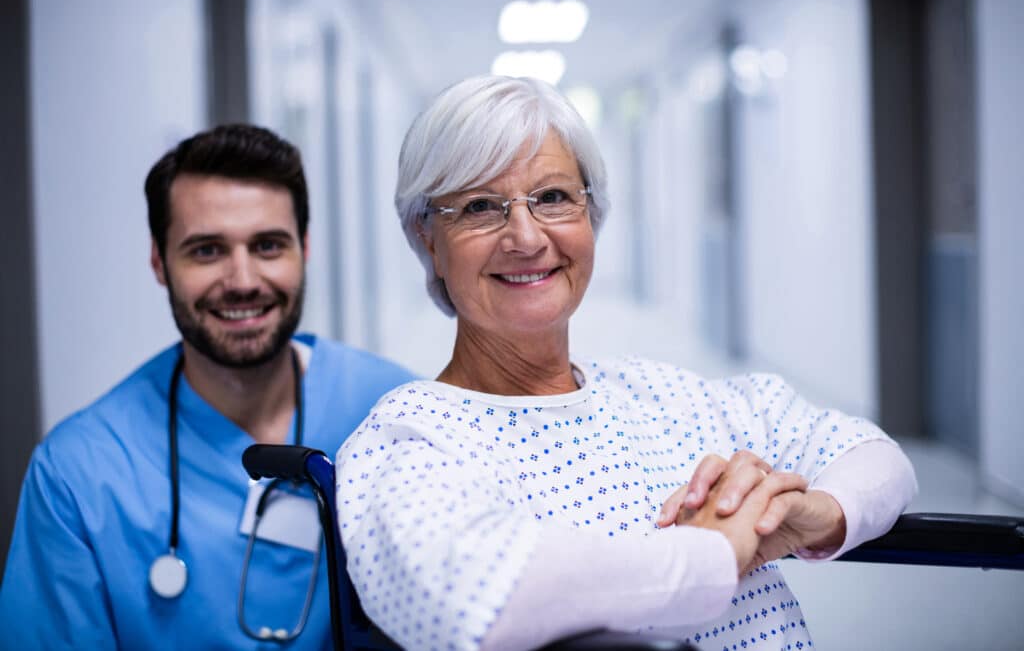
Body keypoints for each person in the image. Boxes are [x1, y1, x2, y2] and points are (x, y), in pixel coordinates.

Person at [335, 76, 917, 651]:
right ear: (429, 238)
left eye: (554, 198)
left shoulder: (664, 393)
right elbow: (472, 600)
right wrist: (716, 553)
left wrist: (813, 513)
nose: (526, 236)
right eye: (481, 206)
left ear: (592, 215)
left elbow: (873, 456)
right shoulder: (409, 440)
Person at [0, 124, 415, 649]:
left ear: (304, 249)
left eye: (268, 246)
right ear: (158, 262)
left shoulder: (398, 414)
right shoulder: (79, 475)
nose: (242, 280)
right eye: (206, 251)